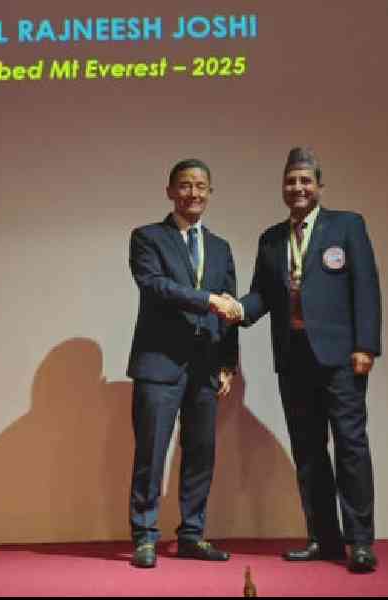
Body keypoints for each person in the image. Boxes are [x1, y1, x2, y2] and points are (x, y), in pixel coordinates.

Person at [216, 147, 382, 573]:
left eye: (305, 181)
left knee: (350, 448)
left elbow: (366, 287)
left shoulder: (346, 226)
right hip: (293, 360)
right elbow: (263, 296)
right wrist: (237, 309)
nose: (298, 188)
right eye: (291, 181)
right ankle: (324, 539)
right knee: (308, 452)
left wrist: (366, 346)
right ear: (283, 188)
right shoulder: (271, 238)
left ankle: (360, 542)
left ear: (319, 186)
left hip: (341, 358)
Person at [126, 158, 239, 568]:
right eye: (185, 185)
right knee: (151, 453)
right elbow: (156, 286)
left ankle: (192, 534)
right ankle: (144, 536)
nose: (194, 193)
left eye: (201, 186)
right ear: (170, 191)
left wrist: (228, 364)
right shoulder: (147, 238)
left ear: (210, 193)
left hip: (206, 366)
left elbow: (231, 307)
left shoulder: (222, 247)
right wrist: (207, 300)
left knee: (201, 453)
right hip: (159, 364)